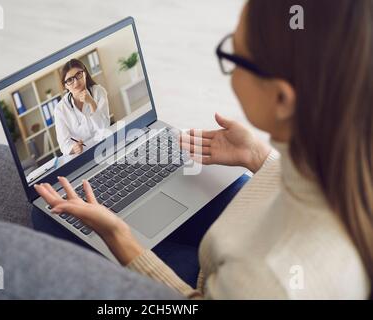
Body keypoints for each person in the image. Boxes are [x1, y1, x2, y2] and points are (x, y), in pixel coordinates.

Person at [35, 0, 372, 299]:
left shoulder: (268, 283)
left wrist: (118, 235)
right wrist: (260, 158)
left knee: (49, 216)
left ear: (283, 99)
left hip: (208, 284)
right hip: (248, 240)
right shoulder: (351, 155)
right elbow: (310, 187)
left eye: (234, 55)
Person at [54, 59, 110, 155]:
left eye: (78, 75)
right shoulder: (60, 109)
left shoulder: (98, 92)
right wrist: (73, 148)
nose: (76, 82)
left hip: (105, 147)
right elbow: (64, 145)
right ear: (65, 86)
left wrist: (92, 102)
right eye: (70, 80)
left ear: (85, 74)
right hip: (83, 155)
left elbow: (104, 128)